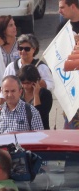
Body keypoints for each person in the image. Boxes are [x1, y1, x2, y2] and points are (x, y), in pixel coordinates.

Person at [57, 0, 79, 129]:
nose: (59, 11)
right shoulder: (63, 27)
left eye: (62, 7)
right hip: (70, 87)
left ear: (73, 6)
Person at [17, 64, 53, 130]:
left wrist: (36, 95)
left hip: (41, 131)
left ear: (36, 81)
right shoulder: (18, 93)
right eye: (23, 83)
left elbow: (40, 116)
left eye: (28, 83)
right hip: (22, 131)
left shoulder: (45, 94)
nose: (25, 86)